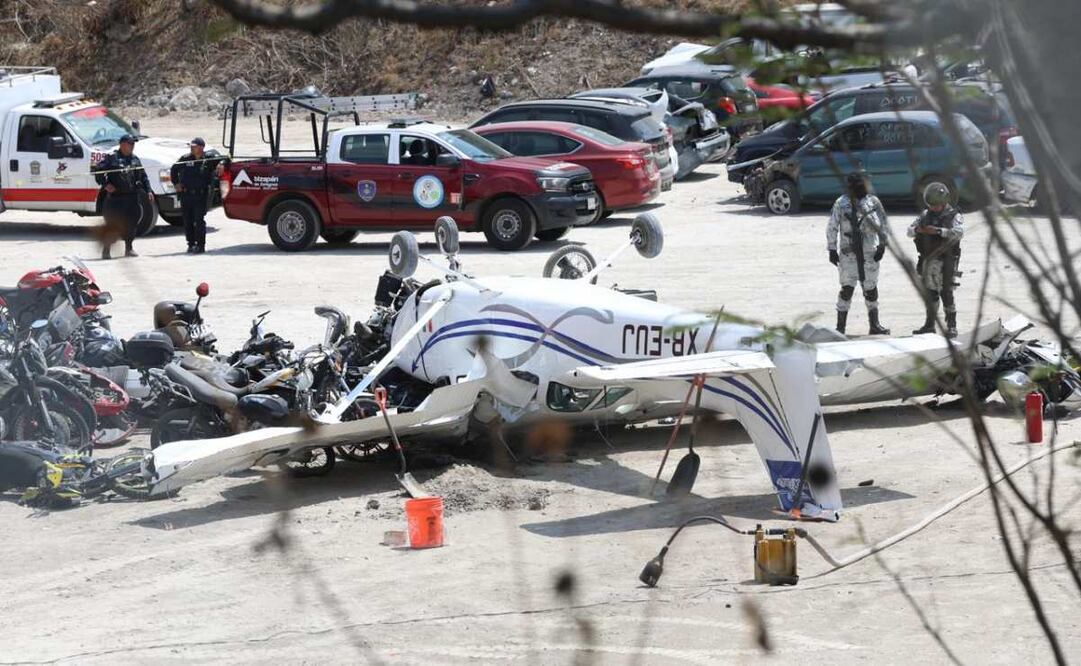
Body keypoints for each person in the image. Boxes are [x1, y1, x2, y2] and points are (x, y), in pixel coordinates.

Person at [826, 172, 891, 336]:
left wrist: (882, 245)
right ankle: (840, 328)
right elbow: (832, 227)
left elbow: (883, 224)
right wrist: (832, 249)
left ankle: (874, 325)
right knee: (847, 289)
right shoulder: (841, 203)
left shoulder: (873, 202)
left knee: (871, 288)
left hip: (869, 253)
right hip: (849, 255)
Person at [909, 183, 964, 337]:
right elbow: (909, 231)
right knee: (930, 293)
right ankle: (929, 325)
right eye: (931, 205)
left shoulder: (954, 215)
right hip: (927, 262)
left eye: (937, 205)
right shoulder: (925, 215)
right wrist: (918, 230)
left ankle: (951, 326)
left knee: (946, 294)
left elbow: (959, 233)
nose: (933, 208)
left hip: (945, 261)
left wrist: (939, 231)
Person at [94, 134, 151, 259]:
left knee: (131, 224)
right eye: (131, 144)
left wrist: (149, 191)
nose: (132, 147)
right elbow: (97, 170)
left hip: (132, 198)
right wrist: (106, 184)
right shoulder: (112, 158)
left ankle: (129, 248)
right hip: (116, 199)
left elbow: (143, 176)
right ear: (123, 144)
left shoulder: (135, 159)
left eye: (133, 144)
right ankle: (106, 251)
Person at [170, 137, 224, 254]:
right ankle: (191, 244)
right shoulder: (185, 159)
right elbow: (174, 169)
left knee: (199, 220)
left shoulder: (208, 159)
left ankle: (200, 245)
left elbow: (225, 159)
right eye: (191, 146)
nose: (191, 148)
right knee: (187, 220)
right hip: (186, 195)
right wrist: (176, 183)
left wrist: (221, 164)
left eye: (194, 146)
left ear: (201, 148)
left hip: (201, 195)